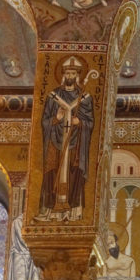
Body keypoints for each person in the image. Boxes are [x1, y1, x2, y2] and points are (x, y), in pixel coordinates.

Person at [39, 56, 95, 221]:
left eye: (73, 73)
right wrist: (56, 118)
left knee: (74, 174)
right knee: (52, 173)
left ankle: (73, 212)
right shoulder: (54, 96)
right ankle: (50, 211)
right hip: (56, 142)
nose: (70, 76)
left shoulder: (84, 98)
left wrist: (80, 122)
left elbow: (90, 122)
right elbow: (45, 121)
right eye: (68, 73)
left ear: (77, 75)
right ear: (63, 74)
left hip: (75, 144)